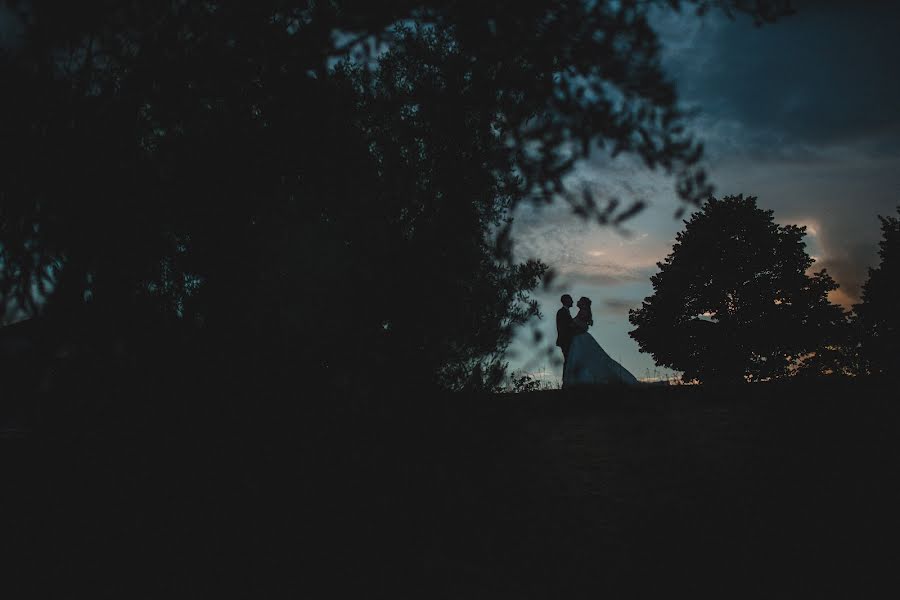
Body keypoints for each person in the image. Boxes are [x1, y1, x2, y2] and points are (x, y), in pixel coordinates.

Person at [564, 296, 639, 386]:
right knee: (583, 358)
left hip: (581, 338)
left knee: (584, 358)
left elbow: (579, 324)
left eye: (579, 301)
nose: (577, 302)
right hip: (579, 338)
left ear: (583, 303)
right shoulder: (582, 312)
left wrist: (572, 325)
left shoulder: (583, 312)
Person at [555, 294, 575, 379]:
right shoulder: (562, 312)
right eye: (570, 299)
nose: (572, 301)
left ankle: (568, 380)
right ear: (566, 301)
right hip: (565, 340)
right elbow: (564, 327)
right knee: (568, 360)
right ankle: (566, 380)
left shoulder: (565, 312)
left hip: (567, 340)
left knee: (569, 360)